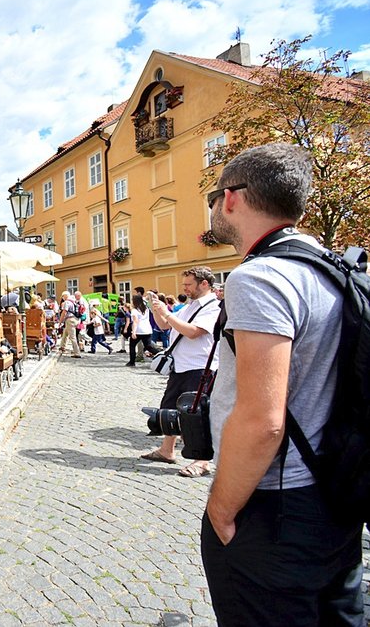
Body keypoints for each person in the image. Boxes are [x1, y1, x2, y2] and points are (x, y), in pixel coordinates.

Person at [201, 143, 364, 626]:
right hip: (334, 489)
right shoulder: (334, 266)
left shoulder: (260, 278)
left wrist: (222, 510)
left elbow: (262, 420)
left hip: (275, 504)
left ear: (231, 199)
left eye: (213, 197)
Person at [139, 266, 221, 477]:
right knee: (170, 408)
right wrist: (156, 309)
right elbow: (166, 326)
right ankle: (167, 451)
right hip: (181, 366)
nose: (185, 288)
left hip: (200, 367)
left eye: (188, 285)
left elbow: (193, 332)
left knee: (195, 414)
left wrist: (167, 313)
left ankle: (202, 461)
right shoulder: (189, 306)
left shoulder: (213, 306)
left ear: (204, 284)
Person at [126, 293, 157, 366]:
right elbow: (146, 299)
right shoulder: (146, 308)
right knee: (148, 347)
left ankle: (132, 362)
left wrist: (133, 332)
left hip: (138, 330)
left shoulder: (134, 310)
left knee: (132, 346)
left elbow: (135, 321)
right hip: (147, 329)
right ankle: (161, 354)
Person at [57, 291, 81, 358]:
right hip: (75, 319)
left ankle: (77, 353)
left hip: (70, 320)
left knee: (72, 337)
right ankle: (62, 347)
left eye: (62, 296)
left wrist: (60, 322)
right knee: (65, 333)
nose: (62, 298)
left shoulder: (66, 302)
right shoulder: (73, 301)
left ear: (65, 296)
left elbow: (64, 312)